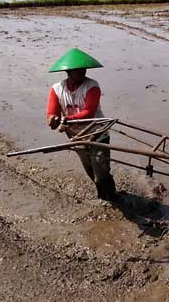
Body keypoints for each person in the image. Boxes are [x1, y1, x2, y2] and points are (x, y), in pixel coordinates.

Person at [46, 47, 118, 201]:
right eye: (78, 70)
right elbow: (52, 116)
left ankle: (113, 196)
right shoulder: (56, 89)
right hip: (77, 137)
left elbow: (89, 112)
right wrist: (52, 119)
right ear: (68, 72)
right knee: (90, 169)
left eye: (84, 69)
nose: (83, 72)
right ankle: (102, 196)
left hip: (97, 133)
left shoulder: (92, 86)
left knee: (101, 171)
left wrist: (68, 120)